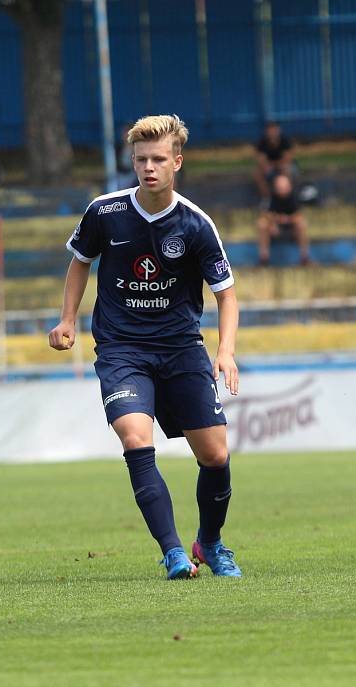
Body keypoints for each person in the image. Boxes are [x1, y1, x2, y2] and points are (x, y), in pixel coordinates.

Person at [48, 114, 242, 582]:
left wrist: (226, 350)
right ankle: (174, 552)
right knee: (136, 438)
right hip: (121, 349)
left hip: (180, 349)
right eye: (141, 160)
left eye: (158, 159)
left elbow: (226, 293)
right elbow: (79, 264)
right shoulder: (105, 211)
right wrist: (68, 319)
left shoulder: (196, 224)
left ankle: (209, 543)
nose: (149, 167)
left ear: (177, 161)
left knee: (215, 456)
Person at [256, 173, 310, 266]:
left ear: (289, 186)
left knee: (302, 224)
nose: (282, 189)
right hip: (275, 229)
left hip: (292, 229)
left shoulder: (295, 196)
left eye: (284, 186)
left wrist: (287, 219)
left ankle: (304, 258)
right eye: (279, 186)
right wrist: (274, 222)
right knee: (261, 224)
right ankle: (264, 258)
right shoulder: (270, 197)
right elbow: (266, 214)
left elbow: (299, 216)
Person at [253, 120, 295, 201]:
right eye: (270, 130)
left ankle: (288, 197)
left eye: (274, 130)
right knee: (257, 174)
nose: (272, 132)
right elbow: (261, 159)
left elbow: (287, 158)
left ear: (278, 130)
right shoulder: (262, 142)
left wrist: (277, 165)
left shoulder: (285, 141)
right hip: (269, 166)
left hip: (283, 165)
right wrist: (267, 166)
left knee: (287, 170)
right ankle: (267, 198)